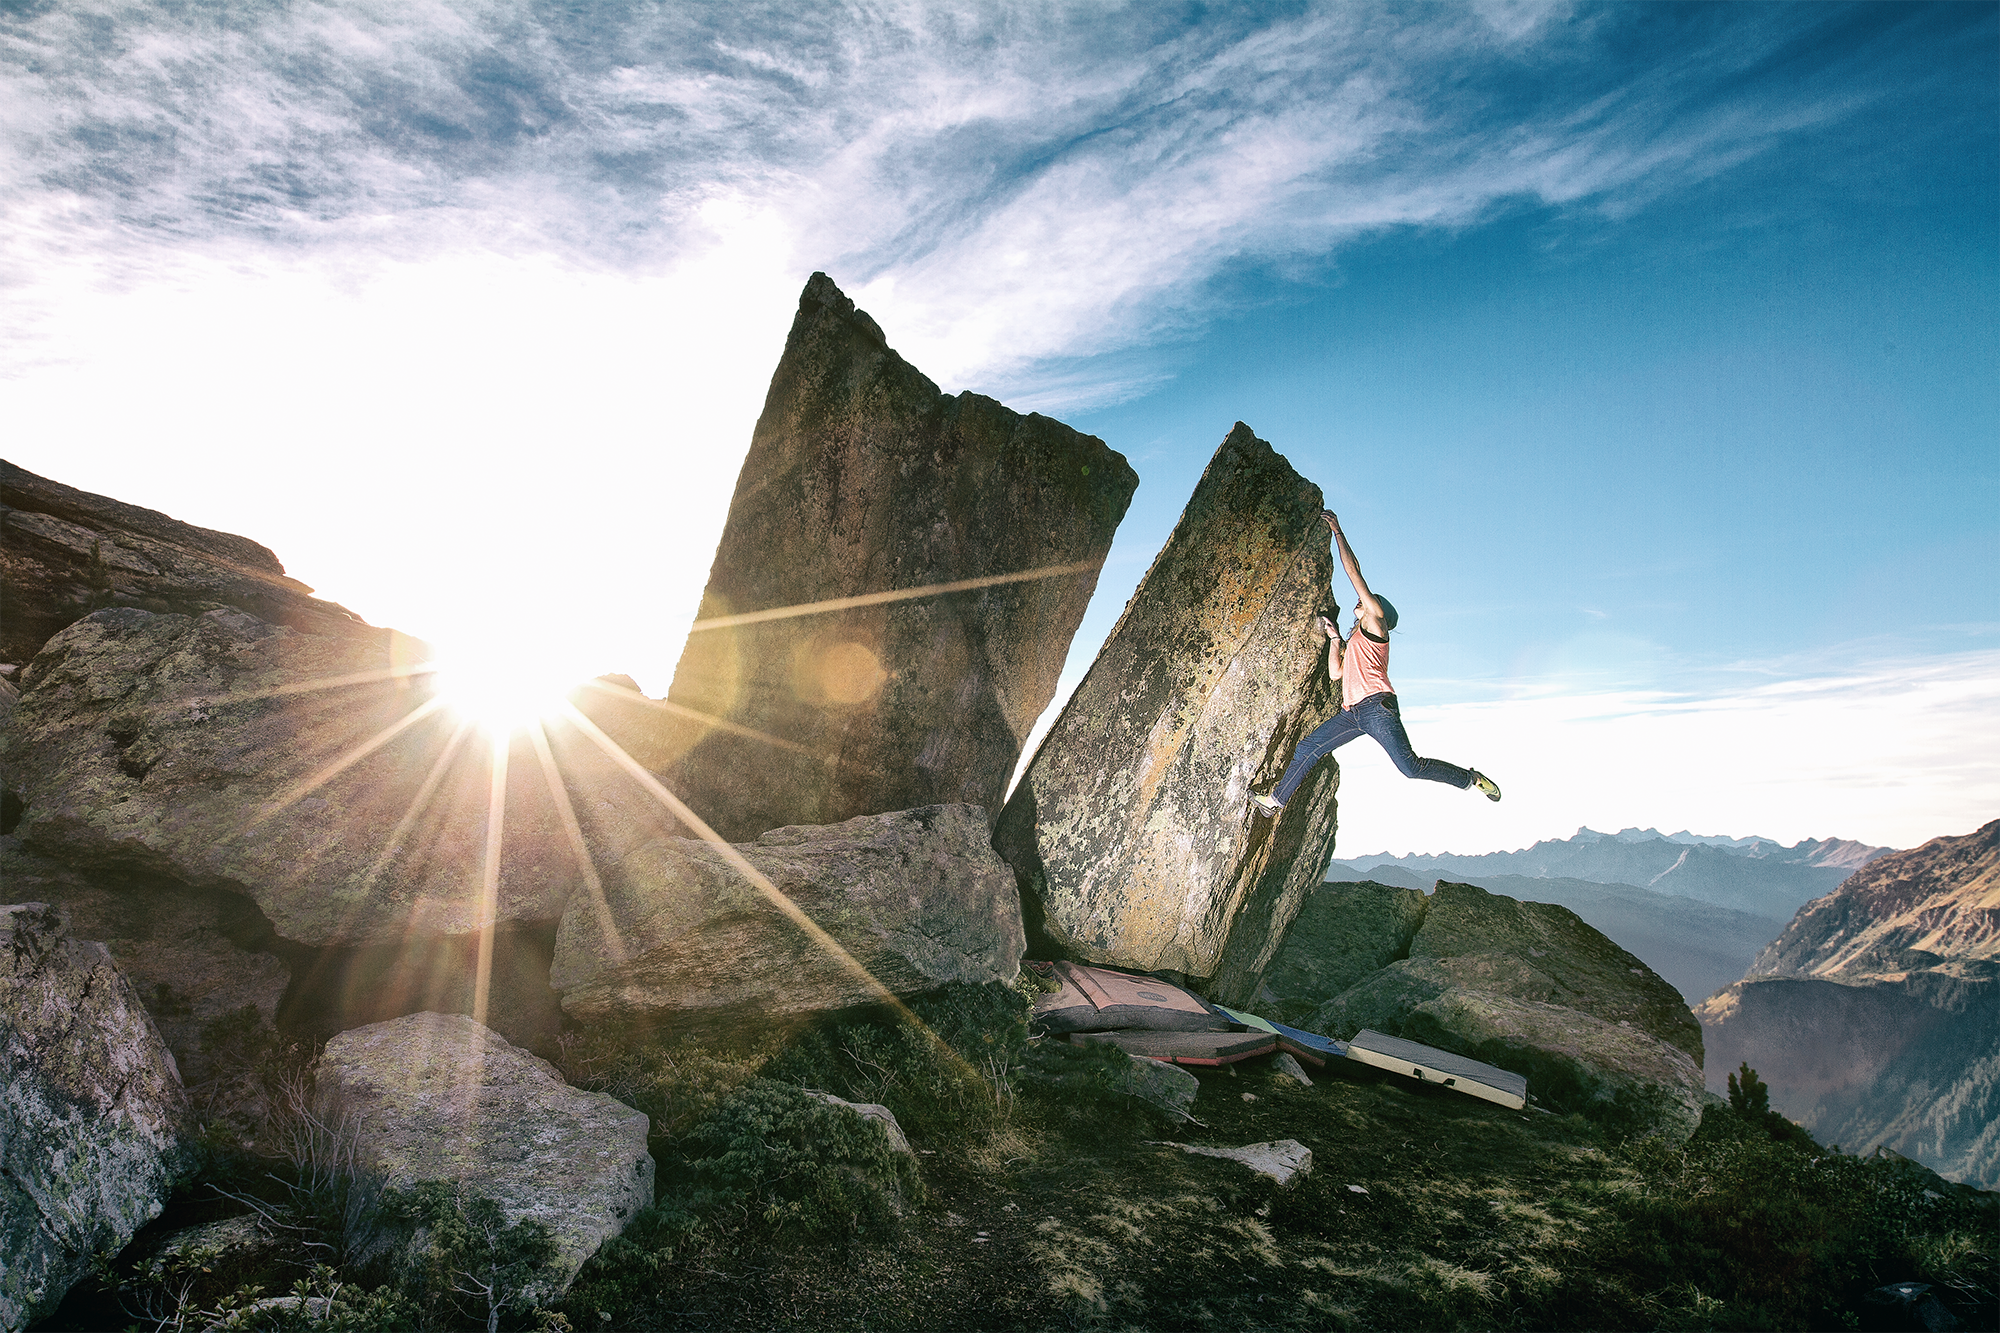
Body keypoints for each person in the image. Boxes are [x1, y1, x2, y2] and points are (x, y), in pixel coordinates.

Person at [1250, 510, 1500, 816]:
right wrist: (1335, 641)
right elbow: (1335, 674)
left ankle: (1470, 779)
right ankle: (1275, 802)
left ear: (1377, 610)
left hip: (1377, 709)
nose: (1362, 601)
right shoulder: (1358, 641)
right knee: (1307, 748)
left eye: (1369, 600)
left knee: (1410, 767)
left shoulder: (1377, 625)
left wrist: (1337, 532)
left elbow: (1354, 573)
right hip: (1351, 715)